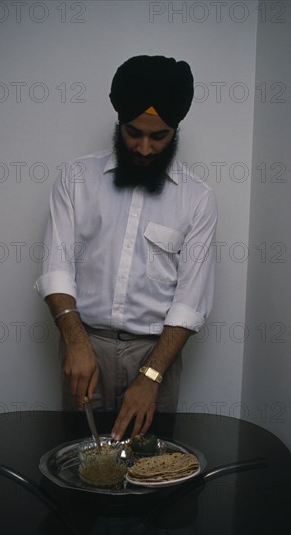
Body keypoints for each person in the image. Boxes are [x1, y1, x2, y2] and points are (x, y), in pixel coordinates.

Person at [34, 55, 217, 441]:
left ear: (176, 129)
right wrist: (75, 341)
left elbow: (191, 299)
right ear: (119, 122)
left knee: (155, 475)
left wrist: (151, 376)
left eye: (159, 136)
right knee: (80, 466)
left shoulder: (198, 198)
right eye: (134, 133)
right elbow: (57, 266)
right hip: (85, 348)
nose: (146, 148)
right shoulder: (76, 178)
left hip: (157, 355)